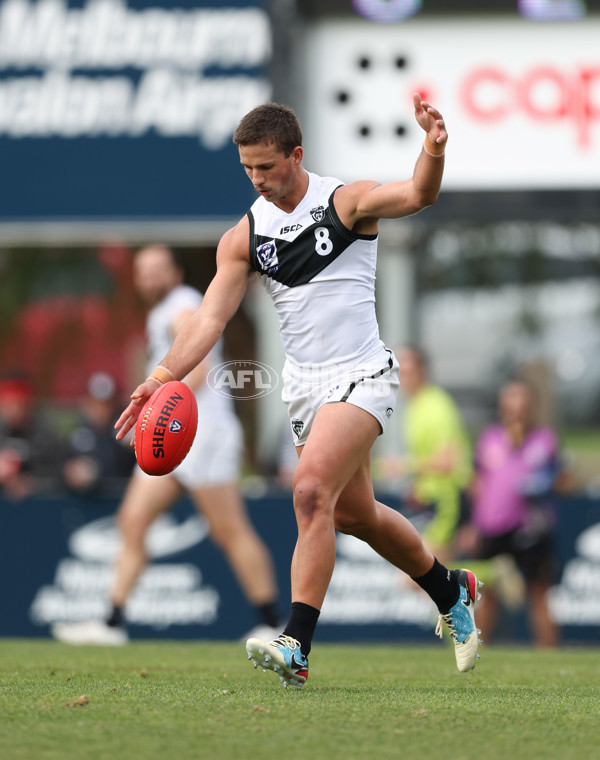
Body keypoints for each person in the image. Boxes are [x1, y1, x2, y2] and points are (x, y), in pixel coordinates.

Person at [113, 96, 483, 687]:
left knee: (310, 493)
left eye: (267, 166)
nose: (257, 179)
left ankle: (296, 646)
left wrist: (433, 148)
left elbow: (418, 193)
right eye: (247, 169)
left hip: (364, 374)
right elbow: (208, 321)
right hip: (306, 391)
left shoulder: (346, 202)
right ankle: (450, 588)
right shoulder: (245, 235)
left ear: (296, 155)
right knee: (356, 515)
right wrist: (157, 380)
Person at [52, 245, 281, 645]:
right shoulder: (163, 311)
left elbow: (201, 368)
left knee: (229, 531)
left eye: (157, 269)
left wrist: (156, 409)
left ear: (175, 274)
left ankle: (273, 623)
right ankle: (112, 624)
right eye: (143, 271)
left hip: (200, 435)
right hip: (171, 440)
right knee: (132, 522)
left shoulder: (183, 304)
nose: (149, 277)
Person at [471, 380, 563, 647]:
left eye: (521, 402)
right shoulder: (490, 438)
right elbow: (479, 484)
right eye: (511, 402)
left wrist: (545, 482)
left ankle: (550, 659)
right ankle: (474, 654)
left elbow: (564, 480)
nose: (516, 409)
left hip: (532, 528)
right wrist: (475, 525)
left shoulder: (545, 440)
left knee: (539, 593)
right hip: (494, 527)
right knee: (488, 596)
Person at [395, 346, 473, 567]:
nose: (402, 378)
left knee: (419, 575)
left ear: (422, 371)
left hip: (447, 500)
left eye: (407, 372)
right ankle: (490, 574)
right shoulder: (415, 406)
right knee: (439, 576)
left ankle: (492, 573)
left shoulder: (436, 405)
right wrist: (418, 487)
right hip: (433, 501)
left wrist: (403, 467)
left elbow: (448, 461)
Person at [63, 372, 135, 495]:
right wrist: (71, 471)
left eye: (106, 404)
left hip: (121, 497)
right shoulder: (78, 433)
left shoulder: (124, 429)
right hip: (86, 502)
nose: (101, 410)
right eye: (96, 403)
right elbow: (62, 465)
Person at [0, 372, 67, 500]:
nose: (16, 410)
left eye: (20, 404)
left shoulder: (44, 435)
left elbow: (60, 471)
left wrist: (33, 483)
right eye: (10, 404)